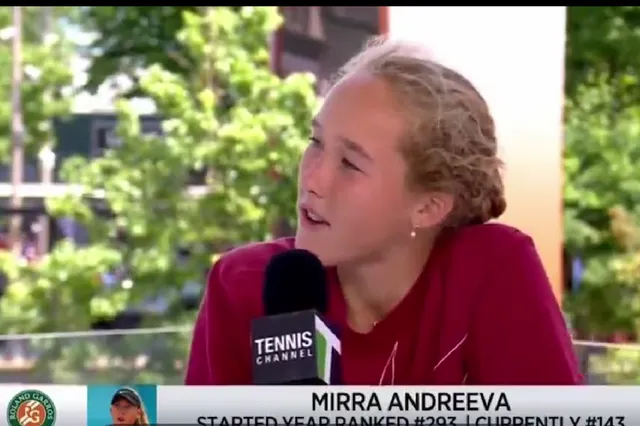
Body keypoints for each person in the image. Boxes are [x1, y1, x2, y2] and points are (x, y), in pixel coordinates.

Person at [185, 36, 582, 385]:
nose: (313, 179)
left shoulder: (492, 271)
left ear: (428, 206)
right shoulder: (244, 285)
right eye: (316, 141)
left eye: (351, 164)